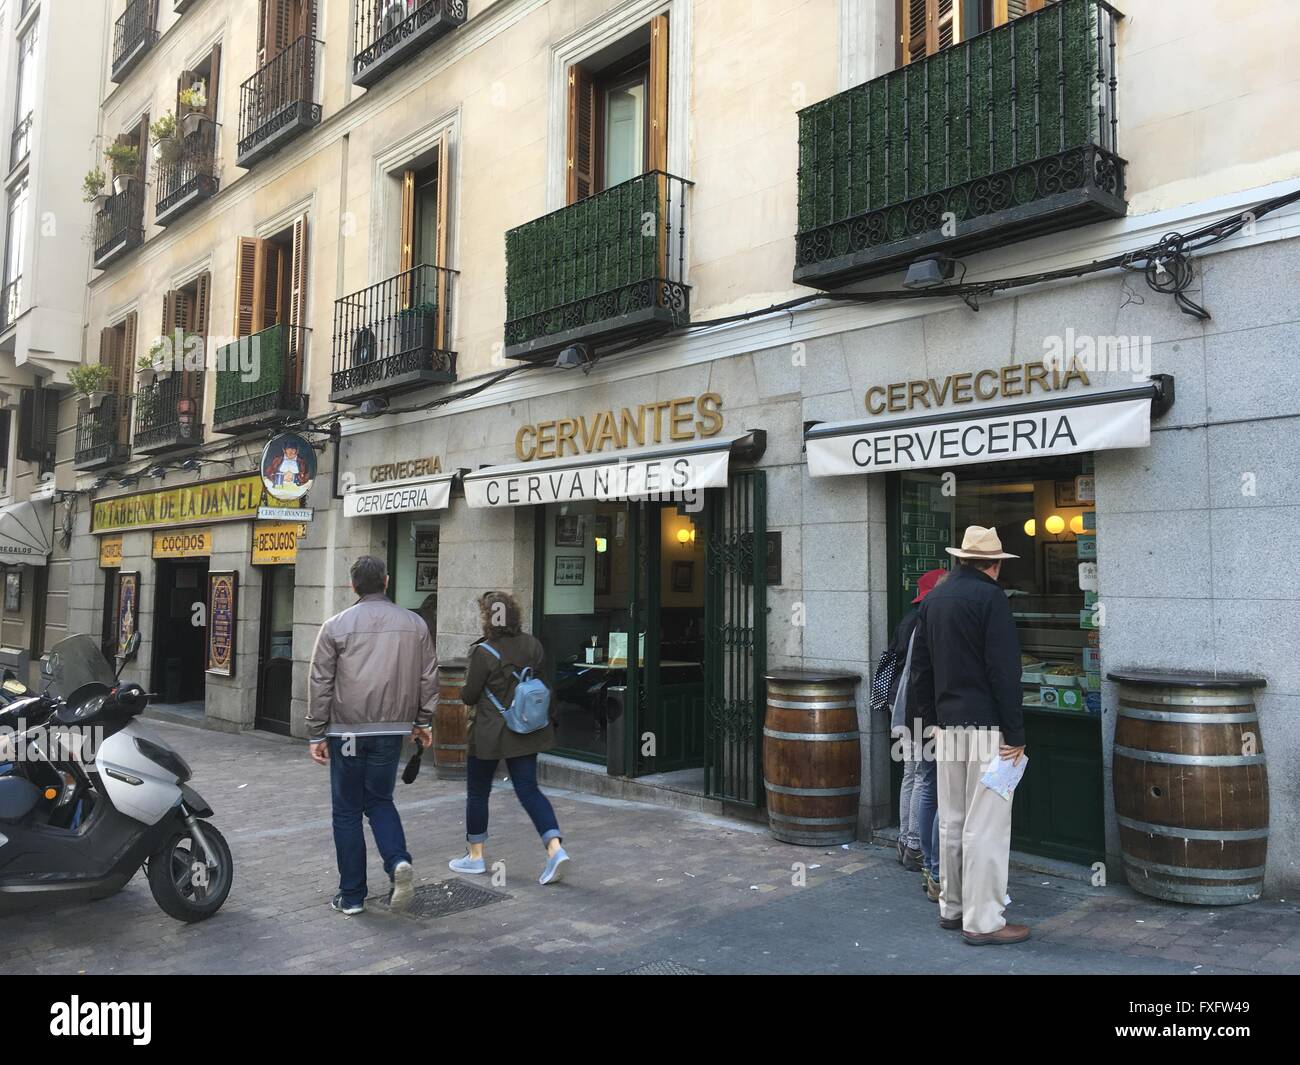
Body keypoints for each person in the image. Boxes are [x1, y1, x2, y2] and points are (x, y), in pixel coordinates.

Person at [912, 526, 1029, 946]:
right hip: (988, 727)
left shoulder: (935, 598)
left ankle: (952, 907)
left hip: (948, 725)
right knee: (987, 826)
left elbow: (921, 669)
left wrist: (932, 719)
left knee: (954, 820)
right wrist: (1015, 732)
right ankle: (984, 921)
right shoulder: (992, 598)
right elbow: (1004, 671)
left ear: (962, 559)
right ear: (994, 565)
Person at [307, 555, 438, 916]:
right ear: (387, 580)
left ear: (353, 586)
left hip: (346, 730)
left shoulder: (335, 625)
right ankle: (397, 861)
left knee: (347, 811)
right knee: (380, 800)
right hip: (392, 728)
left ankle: (351, 896)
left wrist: (316, 732)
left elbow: (321, 681)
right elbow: (429, 676)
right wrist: (423, 721)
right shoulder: (415, 624)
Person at [450, 590, 571, 886]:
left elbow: (470, 695)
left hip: (490, 734)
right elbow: (544, 683)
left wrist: (462, 689)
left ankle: (475, 857)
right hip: (527, 729)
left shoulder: (483, 652)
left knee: (478, 792)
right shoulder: (533, 645)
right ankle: (555, 849)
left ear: (487, 619)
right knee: (529, 789)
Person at [884, 568, 947, 876]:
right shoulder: (926, 620)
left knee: (912, 773)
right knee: (923, 775)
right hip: (917, 708)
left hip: (903, 705)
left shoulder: (909, 618)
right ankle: (914, 847)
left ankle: (905, 841)